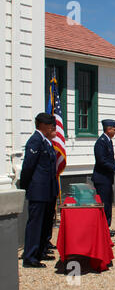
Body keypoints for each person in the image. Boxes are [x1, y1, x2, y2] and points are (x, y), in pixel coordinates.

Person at [20, 113, 59, 268]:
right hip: (38, 190)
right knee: (35, 224)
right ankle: (30, 256)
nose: (53, 129)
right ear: (43, 126)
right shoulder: (35, 141)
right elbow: (28, 166)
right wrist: (25, 186)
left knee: (45, 223)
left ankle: (41, 250)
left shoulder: (46, 142)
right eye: (50, 126)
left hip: (47, 190)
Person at [92, 119, 115, 237]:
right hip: (101, 178)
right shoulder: (101, 142)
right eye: (114, 129)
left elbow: (109, 158)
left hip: (107, 178)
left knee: (108, 203)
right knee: (104, 204)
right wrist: (114, 168)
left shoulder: (108, 141)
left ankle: (106, 227)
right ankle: (103, 228)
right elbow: (101, 161)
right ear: (108, 129)